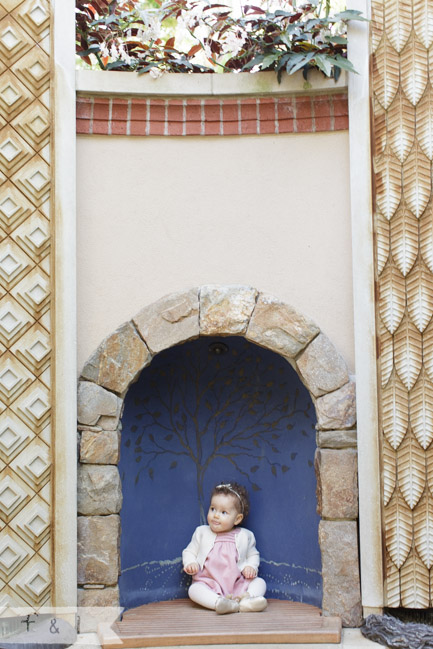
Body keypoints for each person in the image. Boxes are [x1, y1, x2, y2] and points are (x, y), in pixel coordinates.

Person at [182, 482, 267, 614]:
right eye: (212, 509)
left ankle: (247, 600)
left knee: (260, 582)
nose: (216, 515)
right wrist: (190, 563)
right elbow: (189, 551)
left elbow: (253, 555)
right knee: (194, 590)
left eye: (223, 512)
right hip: (209, 583)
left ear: (237, 519)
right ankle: (219, 603)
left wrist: (251, 567)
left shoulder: (245, 536)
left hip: (238, 585)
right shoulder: (202, 532)